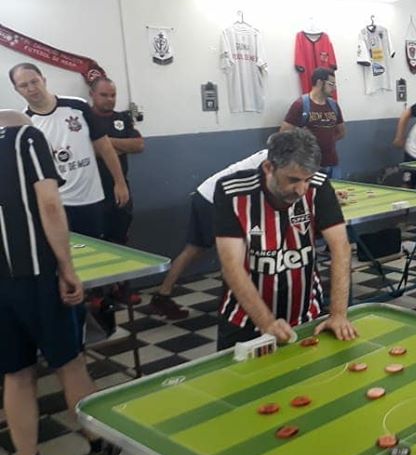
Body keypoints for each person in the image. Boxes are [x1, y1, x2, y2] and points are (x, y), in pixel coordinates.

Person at [0, 110, 122, 455]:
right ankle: (99, 447)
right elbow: (50, 205)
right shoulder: (26, 139)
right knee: (70, 364)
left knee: (16, 374)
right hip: (36, 276)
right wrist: (66, 267)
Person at [214, 129, 355, 349]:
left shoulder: (318, 186)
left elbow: (341, 248)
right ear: (268, 168)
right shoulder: (233, 192)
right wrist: (266, 323)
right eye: (293, 180)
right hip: (244, 320)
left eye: (307, 179)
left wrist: (338, 314)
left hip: (306, 316)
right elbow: (232, 266)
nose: (301, 190)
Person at [10, 63, 129, 239]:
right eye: (23, 85)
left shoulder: (77, 106)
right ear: (17, 89)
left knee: (98, 249)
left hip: (91, 199)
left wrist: (120, 182)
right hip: (57, 204)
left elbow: (104, 146)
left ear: (43, 80)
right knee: (66, 252)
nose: (31, 88)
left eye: (34, 81)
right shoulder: (25, 124)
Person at [147, 148, 268, 320]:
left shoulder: (271, 154)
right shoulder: (276, 162)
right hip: (216, 199)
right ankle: (238, 300)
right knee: (235, 251)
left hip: (205, 194)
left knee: (194, 249)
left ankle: (162, 295)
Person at [89, 78, 145, 246]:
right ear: (92, 94)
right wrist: (121, 147)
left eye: (113, 95)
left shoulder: (123, 118)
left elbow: (138, 145)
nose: (109, 99)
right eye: (104, 95)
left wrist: (103, 142)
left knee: (120, 240)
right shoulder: (83, 118)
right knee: (94, 242)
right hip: (91, 191)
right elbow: (88, 150)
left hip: (119, 189)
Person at [279, 67, 345, 178]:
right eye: (331, 84)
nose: (334, 88)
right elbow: (283, 134)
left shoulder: (333, 105)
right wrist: (306, 146)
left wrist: (327, 141)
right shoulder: (300, 105)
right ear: (319, 82)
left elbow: (341, 132)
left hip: (332, 163)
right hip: (309, 166)